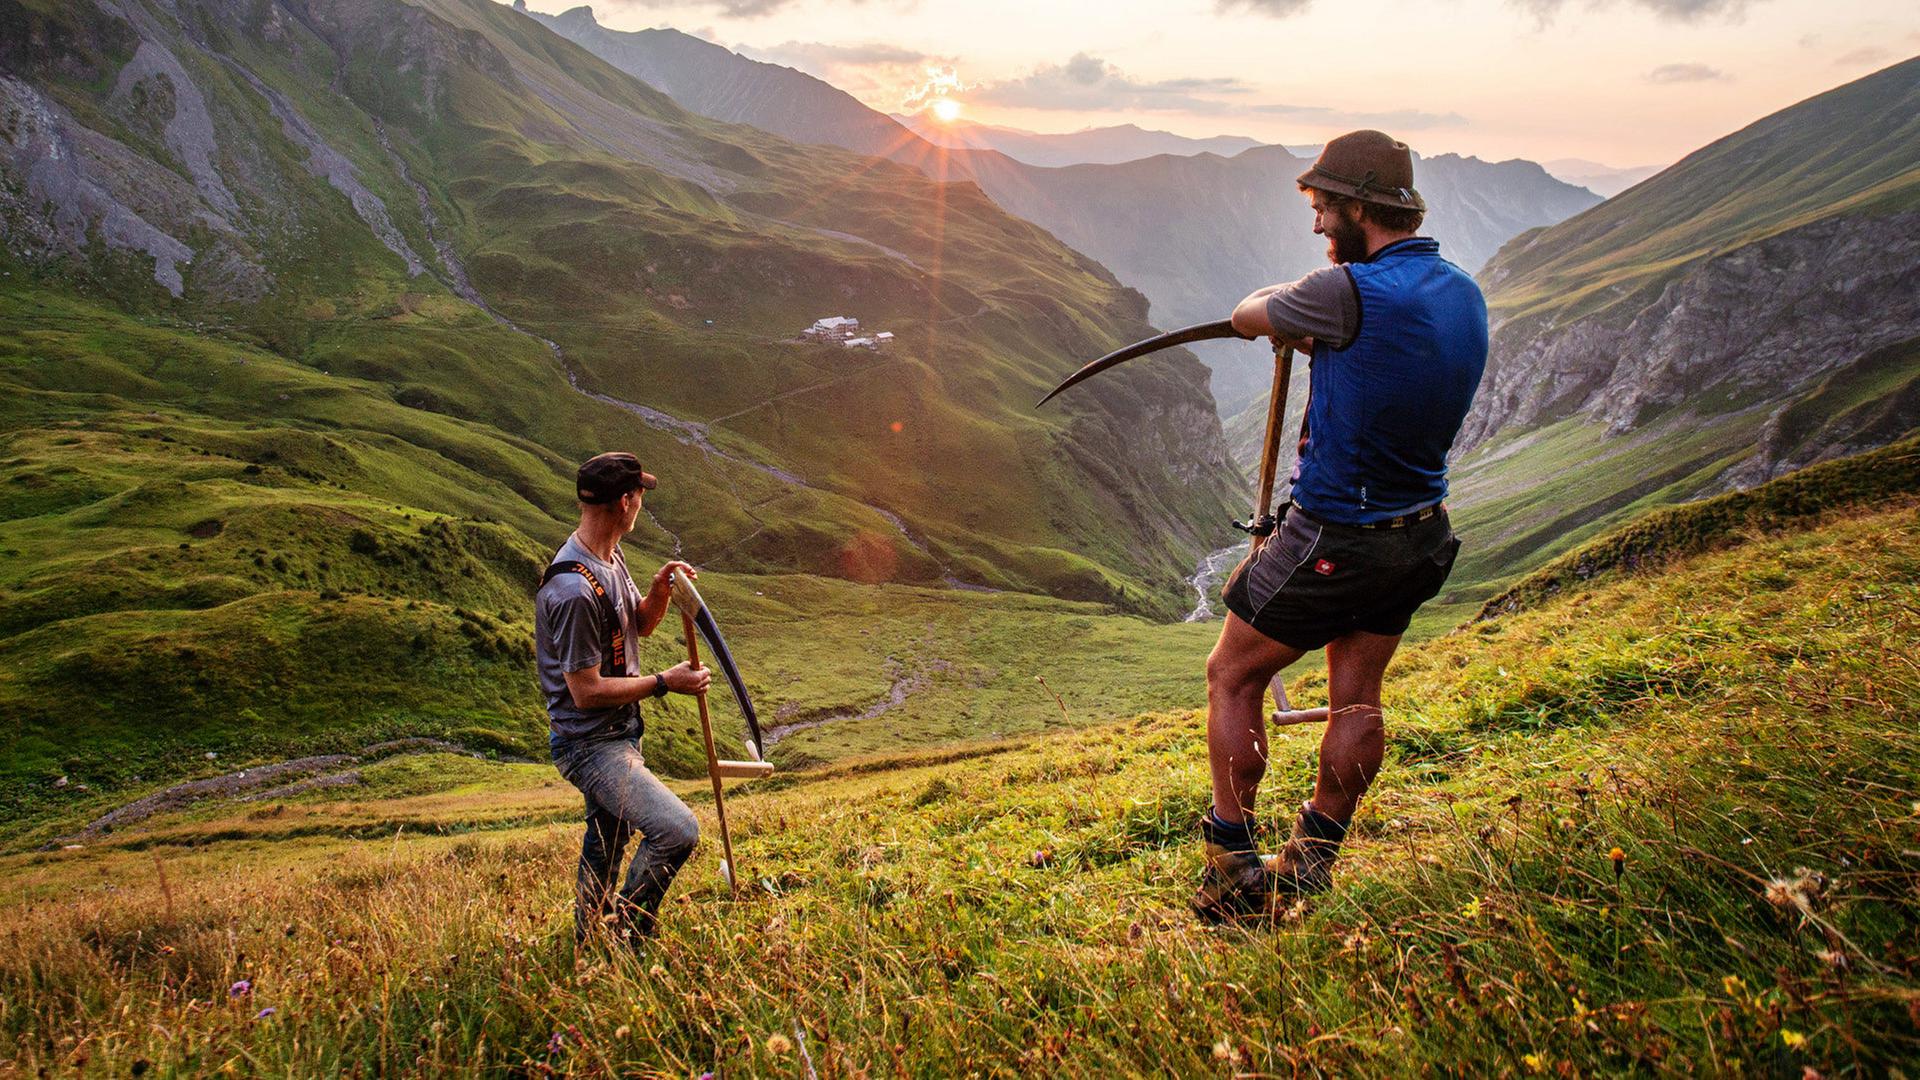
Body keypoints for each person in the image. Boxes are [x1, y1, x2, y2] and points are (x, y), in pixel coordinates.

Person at [1192, 131, 1488, 921]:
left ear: (1361, 207)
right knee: (1357, 698)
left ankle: (1231, 860)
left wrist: (1291, 305)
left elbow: (1248, 314)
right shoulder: (1461, 288)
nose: (1319, 228)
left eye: (1324, 210)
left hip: (1337, 536)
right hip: (1421, 534)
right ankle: (1312, 859)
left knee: (1232, 673)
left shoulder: (1346, 293)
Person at [536, 451, 711, 945]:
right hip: (591, 744)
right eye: (640, 496)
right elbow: (585, 691)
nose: (641, 505)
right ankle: (627, 937)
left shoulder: (609, 559)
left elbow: (638, 624)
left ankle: (589, 938)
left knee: (607, 842)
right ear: (626, 501)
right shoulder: (572, 589)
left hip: (617, 732)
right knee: (677, 830)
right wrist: (663, 682)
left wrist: (657, 590)